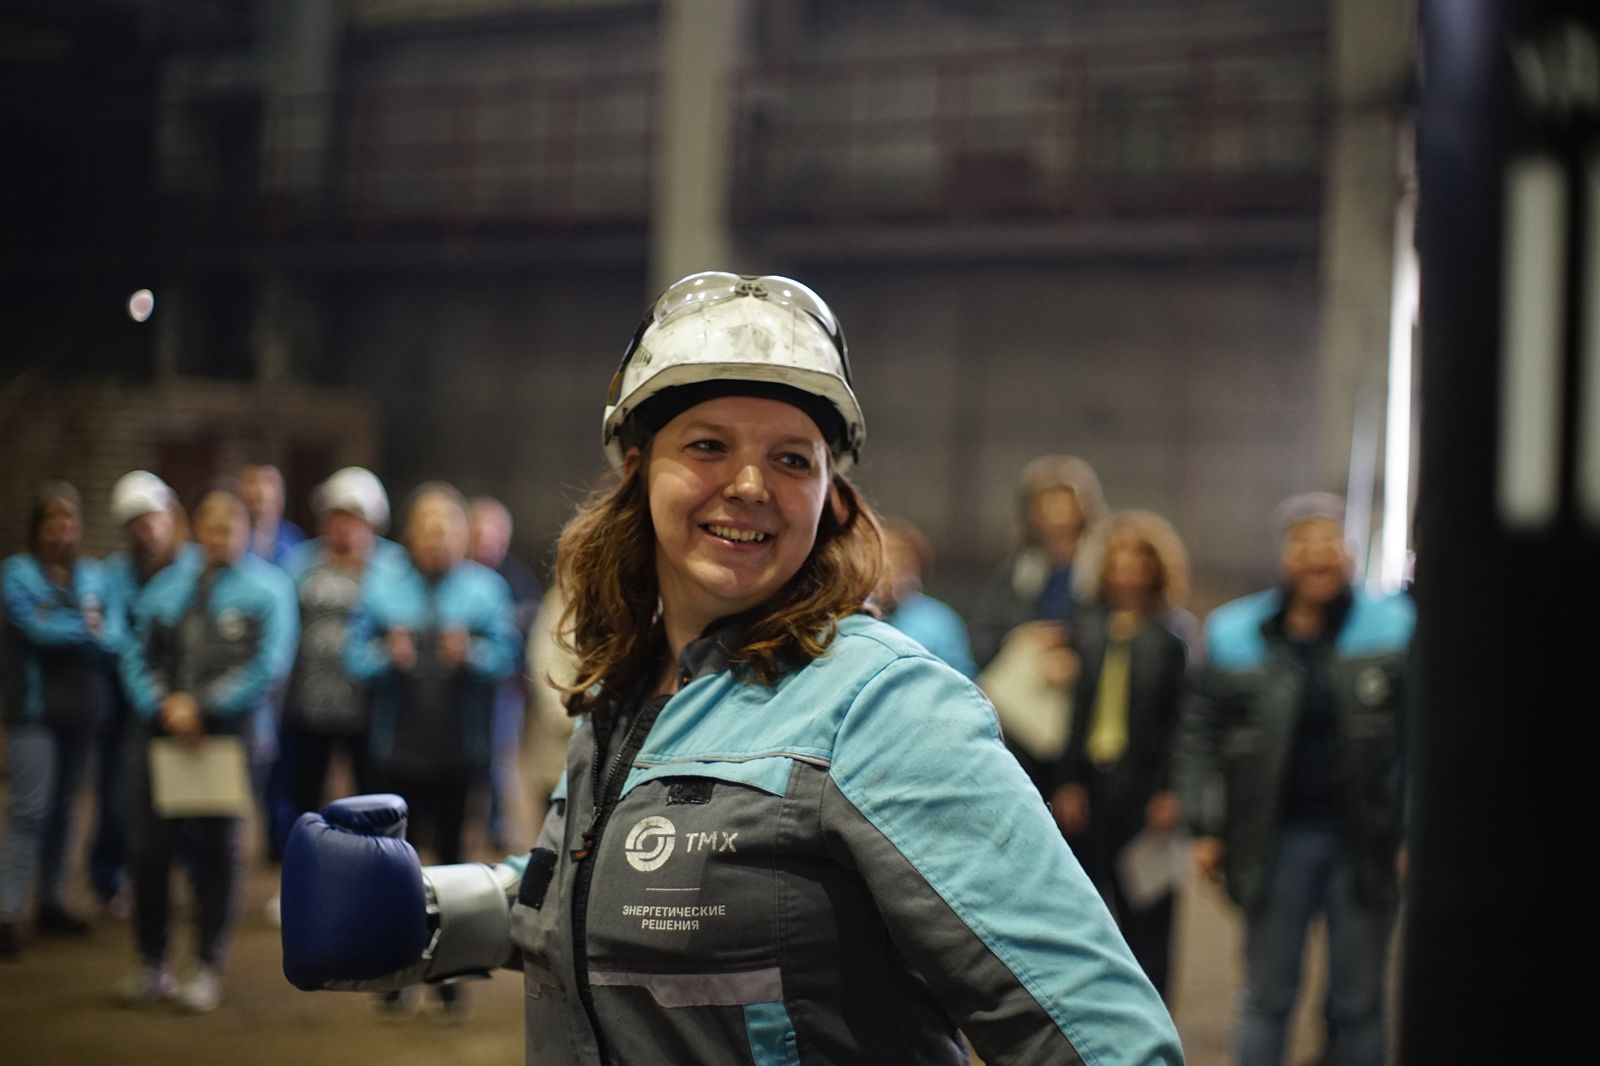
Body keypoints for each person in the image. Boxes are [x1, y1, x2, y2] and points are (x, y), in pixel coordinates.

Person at [282, 271, 1183, 1064]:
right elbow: (604, 878)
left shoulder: (881, 707)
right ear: (639, 472)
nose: (751, 485)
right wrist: (433, 910)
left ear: (830, 498)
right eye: (708, 445)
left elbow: (1100, 1033)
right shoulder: (632, 687)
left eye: (791, 458)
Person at [1175, 493, 1412, 1066]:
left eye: (1329, 542)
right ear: (1283, 557)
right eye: (1303, 544)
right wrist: (1205, 826)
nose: (1317, 555)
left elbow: (1421, 739)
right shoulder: (1234, 631)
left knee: (1359, 1003)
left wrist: (1411, 831)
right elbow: (1198, 734)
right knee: (1267, 996)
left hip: (1367, 844)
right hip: (1274, 843)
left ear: (1348, 554)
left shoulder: (1395, 628)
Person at [117, 482, 298, 1011]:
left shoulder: (269, 590)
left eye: (230, 528)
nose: (220, 537)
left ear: (246, 531)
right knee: (150, 853)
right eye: (211, 527)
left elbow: (269, 666)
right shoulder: (167, 586)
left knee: (217, 855)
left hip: (229, 742)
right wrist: (162, 705)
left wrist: (202, 706)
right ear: (196, 529)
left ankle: (206, 965)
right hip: (163, 738)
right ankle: (151, 963)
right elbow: (136, 651)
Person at [1052, 510, 1194, 1000]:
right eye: (1119, 566)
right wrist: (1067, 782)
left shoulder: (1173, 638)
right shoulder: (1087, 630)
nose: (1127, 576)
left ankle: (1151, 1019)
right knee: (1086, 913)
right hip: (1091, 786)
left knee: (1148, 919)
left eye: (1138, 567)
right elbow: (1072, 717)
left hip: (1146, 794)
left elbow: (1183, 723)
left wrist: (1172, 793)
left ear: (1156, 572)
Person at [0, 483, 125, 959]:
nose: (61, 531)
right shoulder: (17, 572)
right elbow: (35, 629)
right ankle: (7, 911)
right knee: (29, 811)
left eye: (68, 521)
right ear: (38, 527)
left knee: (66, 808)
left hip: (83, 711)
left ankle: (52, 900)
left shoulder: (93, 574)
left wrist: (65, 620)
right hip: (33, 713)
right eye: (52, 522)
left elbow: (114, 637)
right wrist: (83, 626)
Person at [90, 471, 199, 918]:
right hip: (126, 702)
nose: (147, 530)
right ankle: (110, 880)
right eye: (136, 524)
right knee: (118, 796)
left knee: (188, 796)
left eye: (152, 519)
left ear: (169, 517)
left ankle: (187, 880)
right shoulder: (113, 574)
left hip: (185, 701)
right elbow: (117, 637)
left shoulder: (195, 567)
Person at [970, 453, 1108, 795]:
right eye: (1045, 506)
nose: (1056, 516)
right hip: (1024, 717)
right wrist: (1018, 639)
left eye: (1064, 505)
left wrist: (1078, 660)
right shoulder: (1016, 573)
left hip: (1088, 718)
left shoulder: (1107, 570)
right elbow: (982, 634)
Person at [467, 495, 544, 851]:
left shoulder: (517, 576)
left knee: (500, 756)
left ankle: (498, 825)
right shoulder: (459, 574)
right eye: (479, 537)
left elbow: (531, 626)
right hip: (463, 684)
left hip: (505, 683)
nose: (486, 546)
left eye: (493, 538)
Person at [875, 515, 977, 678]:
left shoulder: (938, 622)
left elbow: (963, 679)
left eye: (901, 564)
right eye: (884, 563)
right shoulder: (851, 618)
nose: (891, 575)